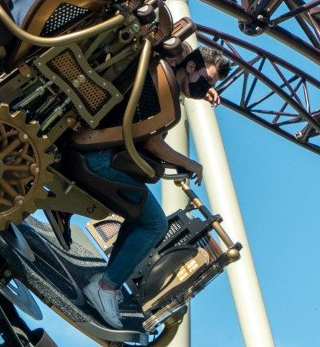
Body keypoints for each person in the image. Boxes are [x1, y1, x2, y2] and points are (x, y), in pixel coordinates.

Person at [80, 45, 231, 328]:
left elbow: (184, 51)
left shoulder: (162, 73)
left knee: (139, 215)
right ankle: (105, 288)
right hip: (100, 159)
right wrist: (190, 163)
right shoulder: (164, 88)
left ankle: (107, 279)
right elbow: (153, 143)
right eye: (207, 80)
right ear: (189, 67)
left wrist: (201, 85)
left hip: (98, 149)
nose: (205, 88)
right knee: (155, 224)